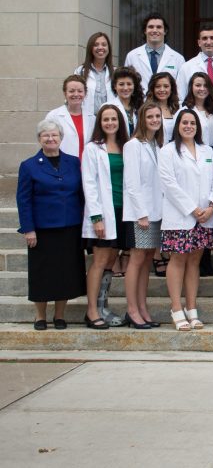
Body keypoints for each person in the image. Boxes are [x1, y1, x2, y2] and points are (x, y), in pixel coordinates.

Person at [16, 120, 85, 330]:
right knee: (42, 273)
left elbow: (81, 194)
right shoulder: (29, 166)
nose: (50, 139)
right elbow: (24, 200)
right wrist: (28, 229)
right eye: (46, 135)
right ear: (39, 139)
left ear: (61, 138)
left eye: (54, 135)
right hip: (43, 230)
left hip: (69, 226)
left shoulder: (73, 162)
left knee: (65, 272)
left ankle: (60, 315)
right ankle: (40, 316)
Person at [158, 108, 213, 331]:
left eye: (192, 123)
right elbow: (169, 184)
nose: (189, 126)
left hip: (204, 217)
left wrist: (211, 206)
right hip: (181, 216)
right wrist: (193, 209)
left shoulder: (207, 151)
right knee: (178, 259)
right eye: (184, 122)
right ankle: (176, 308)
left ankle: (192, 309)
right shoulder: (167, 151)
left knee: (194, 261)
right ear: (177, 125)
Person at [81, 104, 131, 329]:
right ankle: (91, 310)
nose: (110, 123)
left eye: (114, 119)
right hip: (103, 212)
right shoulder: (93, 148)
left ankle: (103, 306)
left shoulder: (125, 146)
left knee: (111, 260)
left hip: (122, 211)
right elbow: (89, 184)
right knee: (100, 261)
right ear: (100, 123)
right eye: (106, 119)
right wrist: (96, 217)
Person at [122, 102, 165, 329]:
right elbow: (132, 182)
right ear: (142, 119)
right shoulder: (133, 145)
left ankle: (142, 306)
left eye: (158, 116)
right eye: (150, 116)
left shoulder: (157, 145)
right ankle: (132, 309)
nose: (155, 120)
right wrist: (141, 213)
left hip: (156, 212)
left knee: (148, 259)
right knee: (137, 259)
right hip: (140, 214)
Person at [123, 12, 185, 92]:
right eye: (151, 27)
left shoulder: (178, 59)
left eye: (159, 27)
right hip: (140, 103)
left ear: (165, 31)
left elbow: (180, 89)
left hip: (166, 104)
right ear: (145, 31)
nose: (155, 30)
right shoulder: (132, 56)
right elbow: (126, 83)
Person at [176, 25, 213, 100]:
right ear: (199, 42)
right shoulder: (186, 67)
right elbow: (180, 97)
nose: (208, 42)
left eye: (212, 38)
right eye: (204, 38)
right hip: (196, 111)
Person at [46, 75, 94, 159]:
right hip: (62, 166)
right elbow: (47, 143)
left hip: (86, 167)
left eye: (80, 91)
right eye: (71, 91)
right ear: (65, 93)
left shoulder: (92, 118)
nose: (76, 94)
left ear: (85, 93)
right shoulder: (53, 116)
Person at [76, 32, 113, 115]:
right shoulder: (80, 71)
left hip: (109, 119)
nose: (100, 47)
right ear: (90, 48)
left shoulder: (115, 72)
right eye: (96, 45)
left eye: (104, 44)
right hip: (87, 117)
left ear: (108, 48)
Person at [181, 72, 213, 152]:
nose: (202, 89)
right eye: (198, 85)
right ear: (191, 87)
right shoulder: (184, 110)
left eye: (205, 85)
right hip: (194, 152)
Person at [145, 71, 180, 141]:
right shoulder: (147, 109)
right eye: (158, 86)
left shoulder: (178, 108)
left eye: (166, 86)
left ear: (171, 89)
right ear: (152, 89)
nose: (162, 90)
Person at [110, 66, 144, 135]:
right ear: (115, 86)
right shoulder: (108, 107)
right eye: (121, 84)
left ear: (134, 86)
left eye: (129, 84)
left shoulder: (139, 106)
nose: (125, 88)